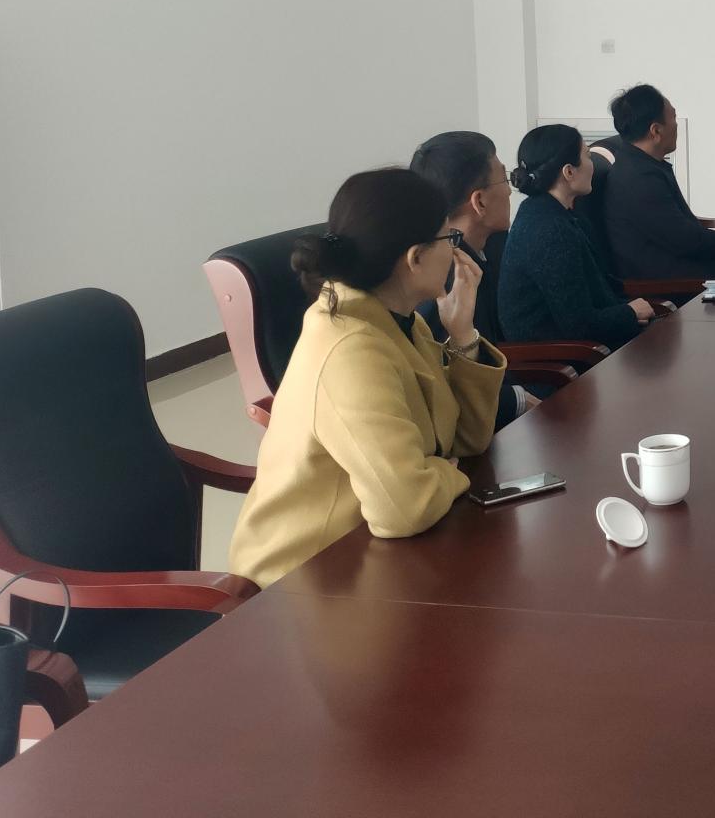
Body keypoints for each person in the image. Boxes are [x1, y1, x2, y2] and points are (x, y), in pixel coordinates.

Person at [228, 168, 506, 588]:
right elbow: (405, 508)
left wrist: (463, 334)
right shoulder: (350, 349)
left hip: (367, 555)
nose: (455, 250)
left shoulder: (399, 319)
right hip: (301, 581)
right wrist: (445, 472)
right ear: (415, 258)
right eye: (448, 239)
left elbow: (466, 440)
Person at [410, 130, 530, 429]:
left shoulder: (485, 249)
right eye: (504, 180)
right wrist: (522, 401)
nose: (510, 191)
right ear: (479, 202)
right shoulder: (450, 278)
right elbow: (448, 391)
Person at [499, 123, 655, 348]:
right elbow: (579, 325)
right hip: (560, 359)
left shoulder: (549, 212)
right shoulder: (551, 230)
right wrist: (630, 313)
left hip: (580, 348)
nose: (593, 165)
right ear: (569, 172)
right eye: (588, 156)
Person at [599, 83, 715, 284]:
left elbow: (681, 230)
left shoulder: (642, 164)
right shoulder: (640, 179)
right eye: (673, 117)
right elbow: (685, 240)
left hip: (684, 270)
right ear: (656, 131)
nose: (676, 124)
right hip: (672, 285)